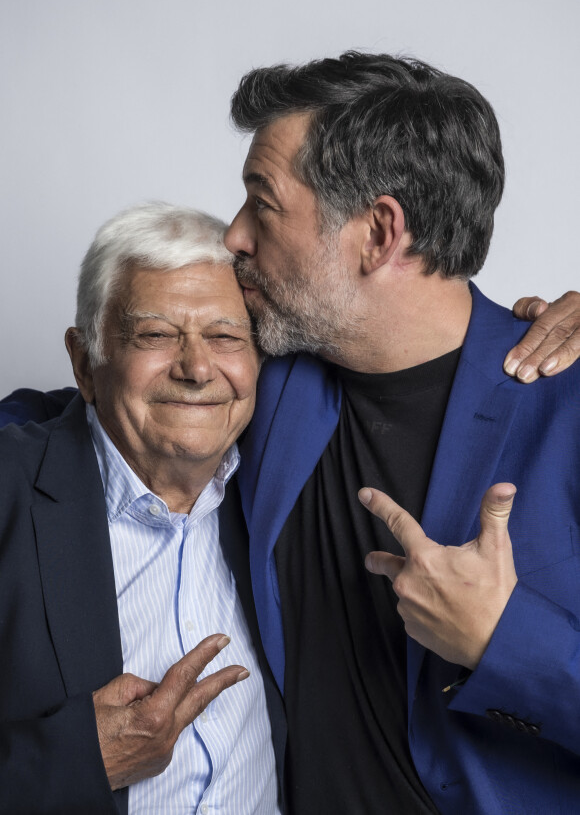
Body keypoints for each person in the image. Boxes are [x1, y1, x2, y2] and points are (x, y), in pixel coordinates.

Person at [222, 52, 580, 814]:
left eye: (263, 203)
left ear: (379, 231)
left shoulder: (569, 404)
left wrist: (503, 642)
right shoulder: (257, 374)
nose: (234, 235)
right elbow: (98, 403)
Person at [0, 203, 280, 815]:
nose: (197, 368)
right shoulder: (10, 495)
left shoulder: (282, 484)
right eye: (154, 335)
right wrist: (77, 761)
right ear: (85, 362)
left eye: (226, 336)